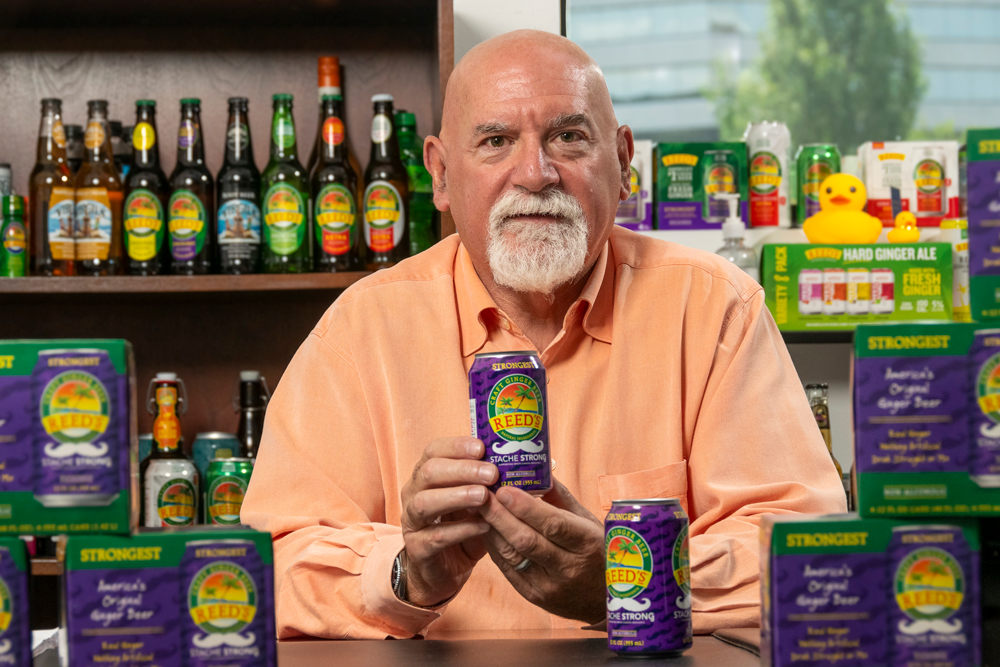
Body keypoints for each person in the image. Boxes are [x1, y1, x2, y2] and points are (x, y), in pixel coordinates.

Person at [241, 29, 847, 639]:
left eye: (568, 137)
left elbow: (810, 558)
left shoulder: (716, 308)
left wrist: (627, 585)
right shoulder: (361, 331)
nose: (535, 174)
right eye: (496, 141)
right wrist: (405, 576)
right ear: (442, 175)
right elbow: (266, 569)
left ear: (624, 161)